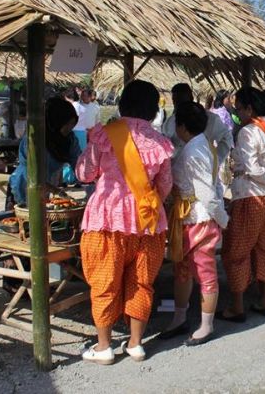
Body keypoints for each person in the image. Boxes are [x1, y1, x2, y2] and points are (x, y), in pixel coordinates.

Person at [76, 80, 173, 364]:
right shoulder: (160, 142)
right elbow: (165, 184)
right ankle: (136, 344)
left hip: (108, 218)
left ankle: (104, 346)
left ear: (122, 104)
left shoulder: (105, 135)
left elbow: (84, 173)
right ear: (154, 109)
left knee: (105, 281)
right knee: (142, 282)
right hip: (148, 221)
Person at [160, 102, 228, 346]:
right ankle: (181, 318)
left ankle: (206, 325)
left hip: (198, 217)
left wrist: (222, 219)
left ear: (182, 126)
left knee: (203, 272)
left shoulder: (194, 151)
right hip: (188, 216)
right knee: (183, 270)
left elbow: (207, 195)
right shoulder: (200, 145)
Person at [218, 87, 265, 322]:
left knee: (237, 250)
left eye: (239, 108)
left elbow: (251, 168)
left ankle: (237, 305)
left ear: (249, 108)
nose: (237, 113)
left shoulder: (248, 132)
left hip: (251, 196)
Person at [8, 97, 82, 207]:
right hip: (24, 186)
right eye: (67, 125)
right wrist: (57, 191)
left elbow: (79, 164)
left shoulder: (70, 140)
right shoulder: (34, 140)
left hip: (47, 188)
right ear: (55, 122)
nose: (69, 129)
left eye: (72, 125)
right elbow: (35, 176)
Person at [163, 83, 233, 167]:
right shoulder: (170, 122)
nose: (179, 105)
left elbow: (227, 138)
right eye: (176, 101)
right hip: (176, 172)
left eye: (182, 101)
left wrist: (216, 160)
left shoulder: (211, 119)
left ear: (191, 98)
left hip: (202, 167)